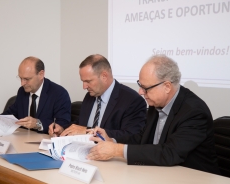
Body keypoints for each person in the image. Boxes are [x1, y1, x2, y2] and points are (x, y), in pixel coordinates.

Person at [88, 54, 220, 175]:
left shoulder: (194, 112)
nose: (140, 92)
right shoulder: (156, 102)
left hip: (194, 178)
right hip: (160, 173)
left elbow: (170, 153)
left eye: (145, 88)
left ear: (167, 86)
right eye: (140, 85)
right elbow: (141, 137)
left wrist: (117, 150)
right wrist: (112, 140)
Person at [48, 54, 147, 138]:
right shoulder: (90, 96)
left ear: (104, 76)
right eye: (83, 81)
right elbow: (80, 124)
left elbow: (132, 136)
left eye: (88, 81)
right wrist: (63, 129)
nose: (84, 86)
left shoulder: (131, 100)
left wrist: (88, 131)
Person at [2, 56, 71, 134]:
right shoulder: (22, 91)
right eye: (20, 78)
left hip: (44, 141)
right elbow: (11, 114)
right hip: (23, 139)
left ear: (41, 74)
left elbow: (63, 124)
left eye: (27, 79)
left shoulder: (59, 93)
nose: (22, 83)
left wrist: (37, 124)